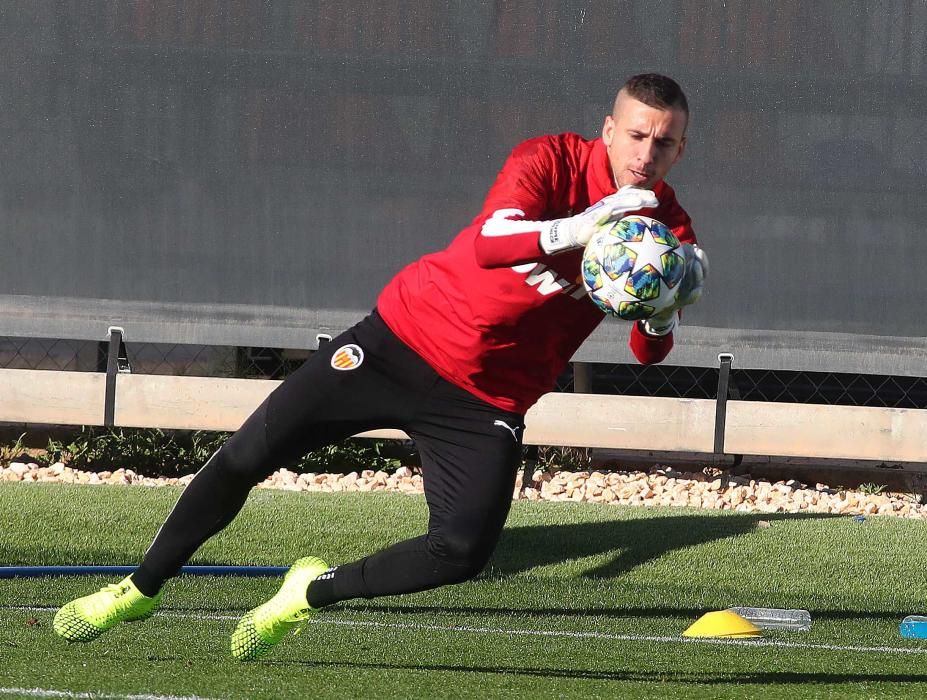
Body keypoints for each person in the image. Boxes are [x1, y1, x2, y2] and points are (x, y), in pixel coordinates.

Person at [53, 73, 708, 660]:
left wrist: (657, 314)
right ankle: (138, 589)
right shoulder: (549, 158)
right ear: (607, 131)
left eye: (665, 143)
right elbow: (487, 244)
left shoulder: (667, 230)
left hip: (483, 402)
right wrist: (582, 225)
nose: (646, 154)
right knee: (247, 454)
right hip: (396, 343)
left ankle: (307, 593)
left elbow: (650, 352)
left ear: (680, 149)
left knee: (460, 552)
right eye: (636, 135)